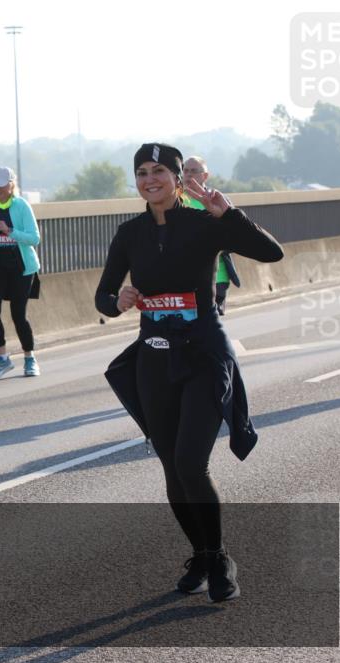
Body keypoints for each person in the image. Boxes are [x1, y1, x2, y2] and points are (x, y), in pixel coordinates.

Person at [95, 143, 283, 602]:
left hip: (204, 355)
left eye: (159, 171)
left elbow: (271, 253)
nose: (150, 179)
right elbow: (103, 297)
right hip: (154, 359)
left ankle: (219, 558)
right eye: (142, 172)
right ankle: (199, 555)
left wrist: (229, 214)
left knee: (190, 464)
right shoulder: (129, 234)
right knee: (171, 467)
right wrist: (118, 301)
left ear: (178, 179)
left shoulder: (205, 224)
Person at [0, 167, 42, 379]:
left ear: (11, 185)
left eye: (2, 186)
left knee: (18, 315)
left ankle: (29, 357)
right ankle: (2, 358)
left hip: (21, 268)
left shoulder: (22, 206)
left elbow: (34, 238)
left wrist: (9, 230)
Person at [183, 156, 241, 315]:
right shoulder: (175, 200)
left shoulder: (217, 200)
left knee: (210, 320)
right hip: (186, 278)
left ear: (205, 176)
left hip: (217, 278)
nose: (188, 175)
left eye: (194, 171)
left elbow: (236, 232)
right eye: (185, 171)